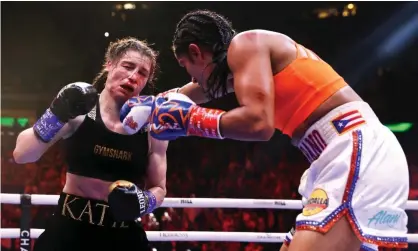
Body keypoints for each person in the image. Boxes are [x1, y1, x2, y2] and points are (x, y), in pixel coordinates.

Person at [142, 10, 409, 251]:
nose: (190, 78)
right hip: (340, 155)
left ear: (196, 52)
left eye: (186, 66)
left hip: (353, 147)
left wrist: (191, 121)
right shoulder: (246, 67)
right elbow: (196, 92)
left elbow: (259, 124)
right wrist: (149, 106)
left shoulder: (245, 44)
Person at [13, 37, 168, 250]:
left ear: (146, 81)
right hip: (69, 231)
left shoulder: (152, 127)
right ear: (109, 65)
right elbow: (22, 154)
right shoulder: (80, 112)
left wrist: (144, 201)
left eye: (142, 73)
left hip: (123, 235)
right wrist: (56, 113)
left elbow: (159, 188)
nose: (133, 77)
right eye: (128, 66)